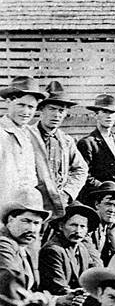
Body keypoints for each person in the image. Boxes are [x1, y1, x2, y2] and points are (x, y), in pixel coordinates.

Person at [0, 76, 58, 211]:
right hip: (5, 206)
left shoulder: (31, 134)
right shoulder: (2, 133)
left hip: (30, 206)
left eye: (31, 107)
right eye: (21, 105)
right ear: (8, 101)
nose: (26, 112)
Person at [33, 81, 88, 219]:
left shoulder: (66, 141)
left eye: (61, 111)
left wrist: (67, 193)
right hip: (31, 204)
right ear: (41, 109)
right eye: (52, 109)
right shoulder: (27, 136)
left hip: (59, 206)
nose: (57, 115)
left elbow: (81, 169)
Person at [39, 203, 102, 306]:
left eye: (82, 226)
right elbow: (59, 289)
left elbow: (92, 277)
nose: (78, 231)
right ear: (61, 226)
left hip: (76, 299)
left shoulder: (81, 248)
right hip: (55, 305)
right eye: (73, 225)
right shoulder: (53, 250)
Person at [77, 94, 115, 205]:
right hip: (98, 199)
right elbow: (84, 174)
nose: (109, 116)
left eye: (112, 113)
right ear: (96, 115)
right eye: (104, 112)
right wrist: (104, 188)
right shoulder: (87, 143)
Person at [87, 182, 115, 266]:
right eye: (108, 204)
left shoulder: (111, 227)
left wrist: (113, 236)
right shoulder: (88, 226)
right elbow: (93, 259)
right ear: (97, 204)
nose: (112, 210)